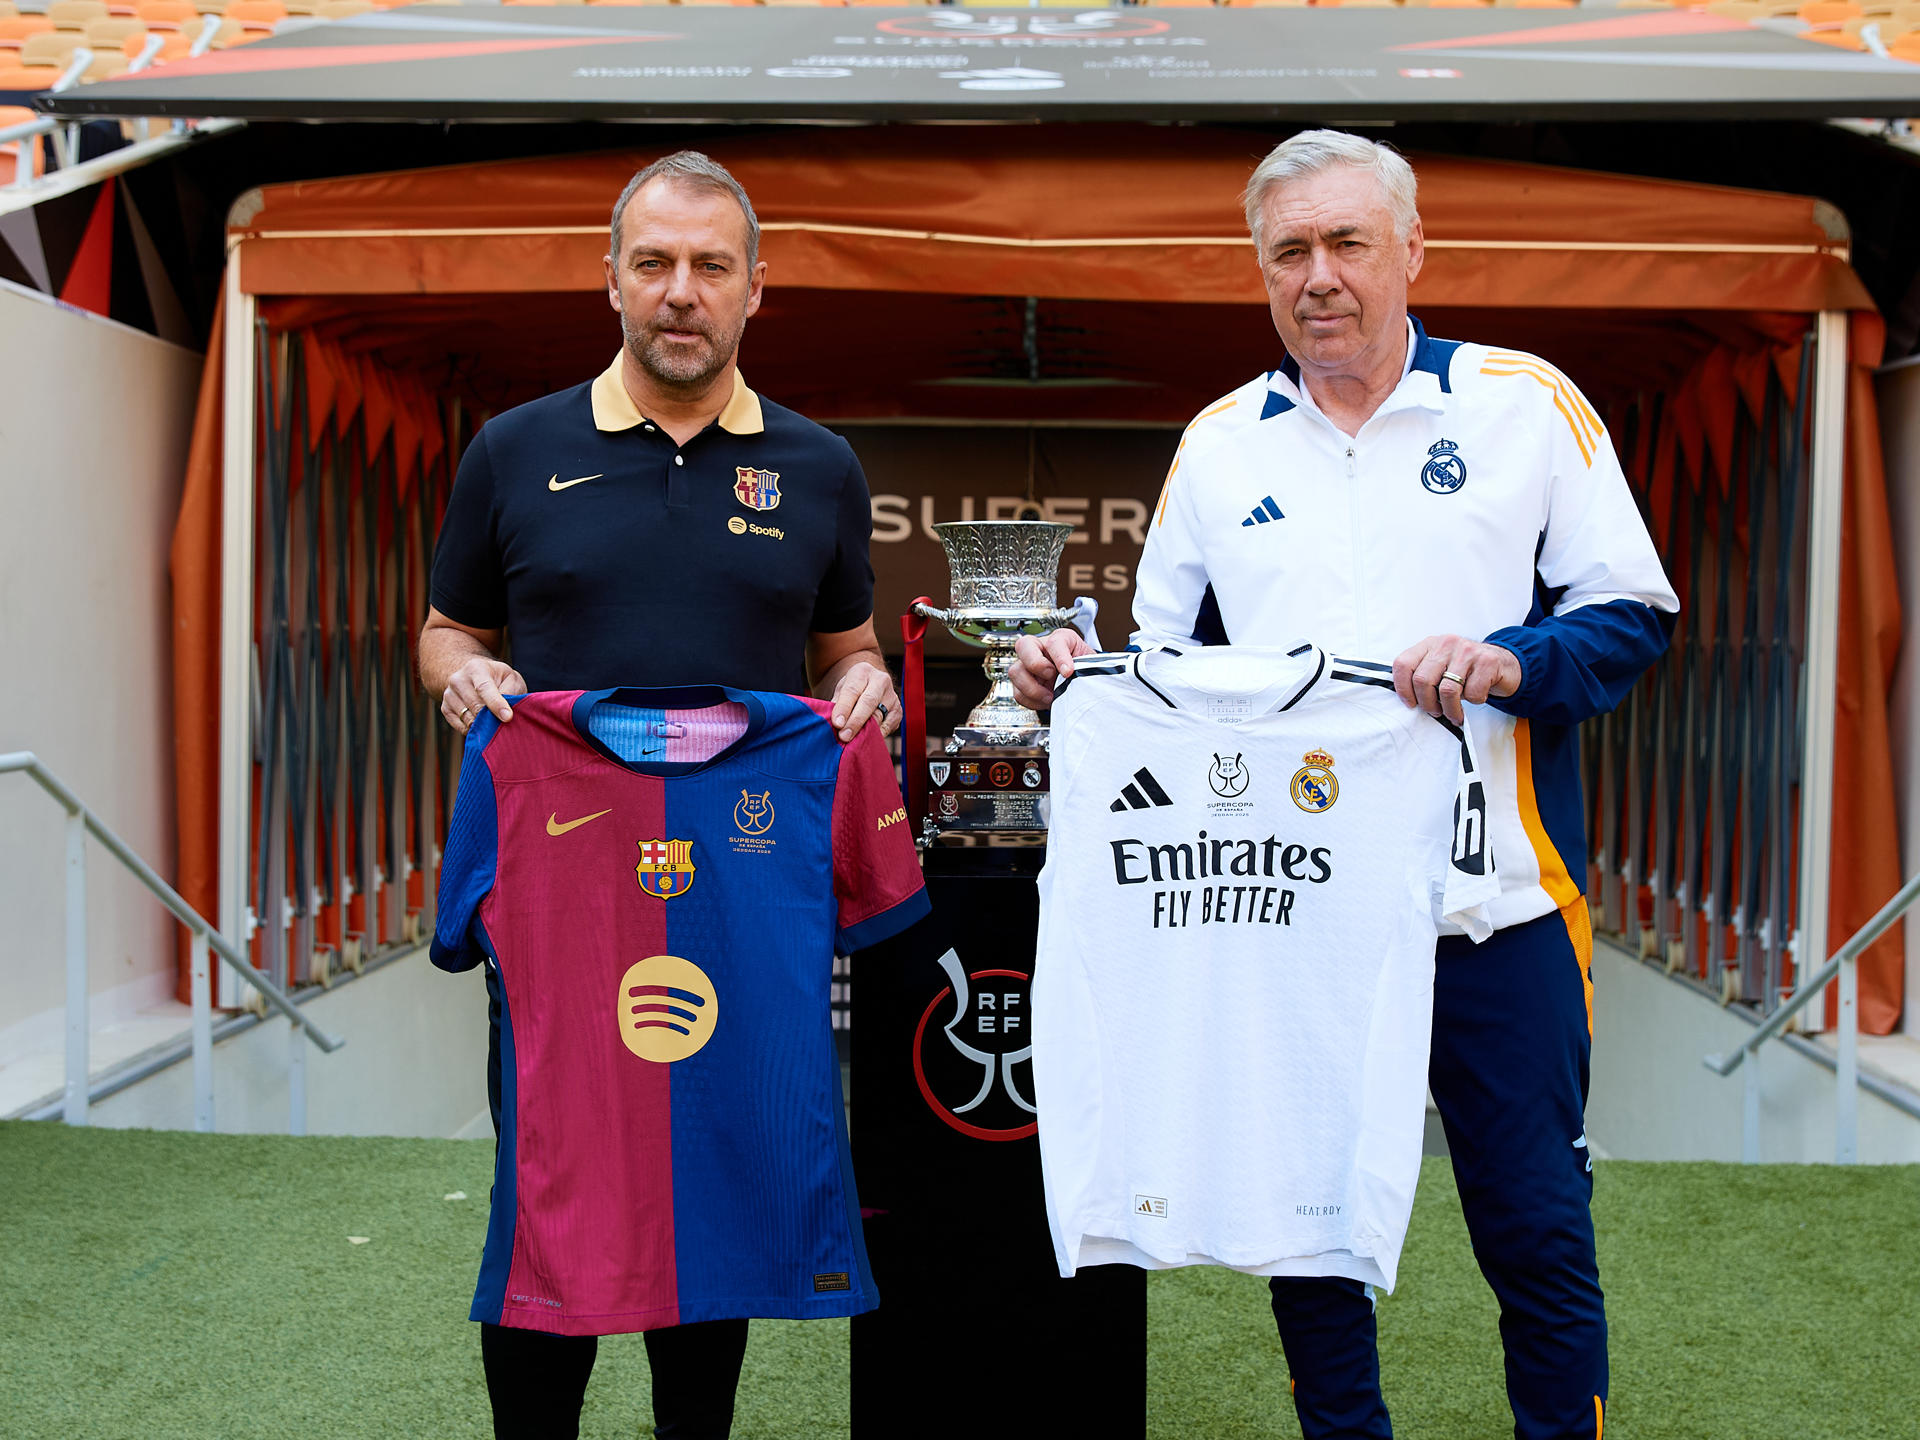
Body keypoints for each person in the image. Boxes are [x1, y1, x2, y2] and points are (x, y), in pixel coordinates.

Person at [1011, 130, 1678, 1440]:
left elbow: (1634, 617)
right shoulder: (1219, 448)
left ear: (1412, 250)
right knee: (1312, 1243)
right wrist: (1072, 679)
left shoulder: (1522, 403)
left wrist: (1509, 659)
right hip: (1298, 919)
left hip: (1501, 911)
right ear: (1262, 276)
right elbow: (1163, 674)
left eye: (1347, 243)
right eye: (1290, 253)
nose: (1320, 276)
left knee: (1538, 1230)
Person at [420, 150, 899, 1440]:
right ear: (612, 281)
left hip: (736, 882)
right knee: (559, 1177)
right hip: (565, 885)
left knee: (718, 1169)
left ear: (755, 291)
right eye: (654, 264)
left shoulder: (819, 466)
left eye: (710, 267)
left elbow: (843, 652)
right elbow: (443, 630)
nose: (680, 292)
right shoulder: (516, 450)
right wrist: (468, 678)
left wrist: (867, 692)